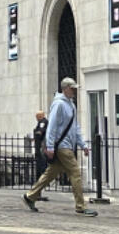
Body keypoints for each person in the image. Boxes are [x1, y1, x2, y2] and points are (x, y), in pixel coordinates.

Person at [22, 78, 96, 215]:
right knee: (75, 173)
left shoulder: (71, 105)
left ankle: (30, 196)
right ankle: (81, 206)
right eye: (72, 88)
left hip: (66, 145)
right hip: (62, 146)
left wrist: (83, 144)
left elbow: (75, 127)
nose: (74, 90)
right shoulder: (59, 104)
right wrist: (50, 146)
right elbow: (52, 126)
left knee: (51, 172)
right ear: (66, 88)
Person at [32, 110, 49, 197]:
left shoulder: (43, 122)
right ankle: (37, 192)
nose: (36, 118)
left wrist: (36, 134)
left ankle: (38, 191)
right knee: (39, 169)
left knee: (41, 169)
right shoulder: (41, 122)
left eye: (37, 116)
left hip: (41, 149)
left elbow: (40, 132)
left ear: (40, 116)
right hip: (40, 148)